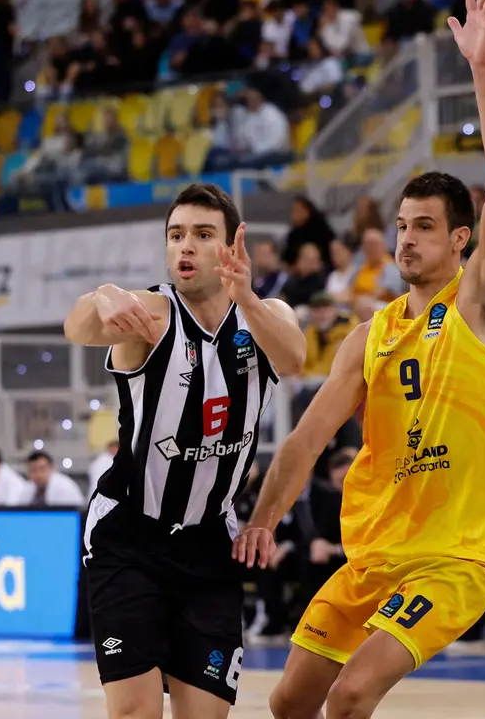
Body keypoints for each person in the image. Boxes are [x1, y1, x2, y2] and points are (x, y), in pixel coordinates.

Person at [234, 2, 485, 718]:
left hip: (459, 553)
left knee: (352, 695)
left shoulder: (484, 303)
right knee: (288, 703)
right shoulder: (371, 333)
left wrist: (482, 67)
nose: (405, 241)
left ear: (462, 239)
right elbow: (307, 438)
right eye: (400, 227)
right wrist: (265, 517)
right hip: (375, 553)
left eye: (424, 228)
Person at [64, 182, 305, 719]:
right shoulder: (151, 313)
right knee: (135, 712)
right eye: (175, 235)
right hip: (129, 536)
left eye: (202, 235)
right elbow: (77, 325)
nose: (185, 247)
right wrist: (103, 295)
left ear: (232, 247)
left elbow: (293, 358)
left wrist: (245, 298)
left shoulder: (268, 316)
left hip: (208, 543)